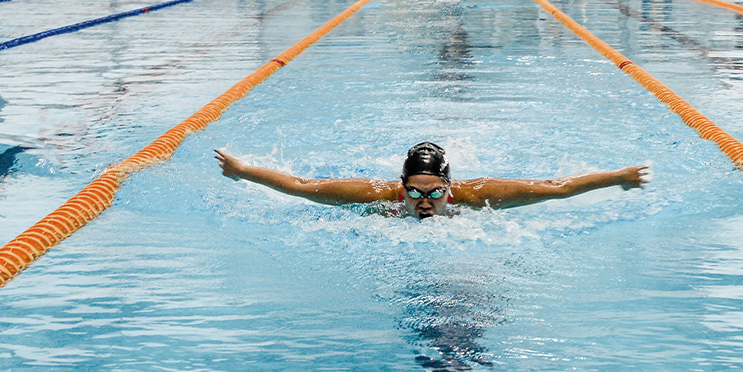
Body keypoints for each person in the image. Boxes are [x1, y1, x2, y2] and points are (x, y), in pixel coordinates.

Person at [216, 142, 651, 220]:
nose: (425, 202)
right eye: (416, 192)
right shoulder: (373, 197)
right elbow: (298, 185)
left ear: (450, 188)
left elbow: (558, 188)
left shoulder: (479, 196)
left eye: (435, 192)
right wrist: (242, 172)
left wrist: (618, 178)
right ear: (400, 187)